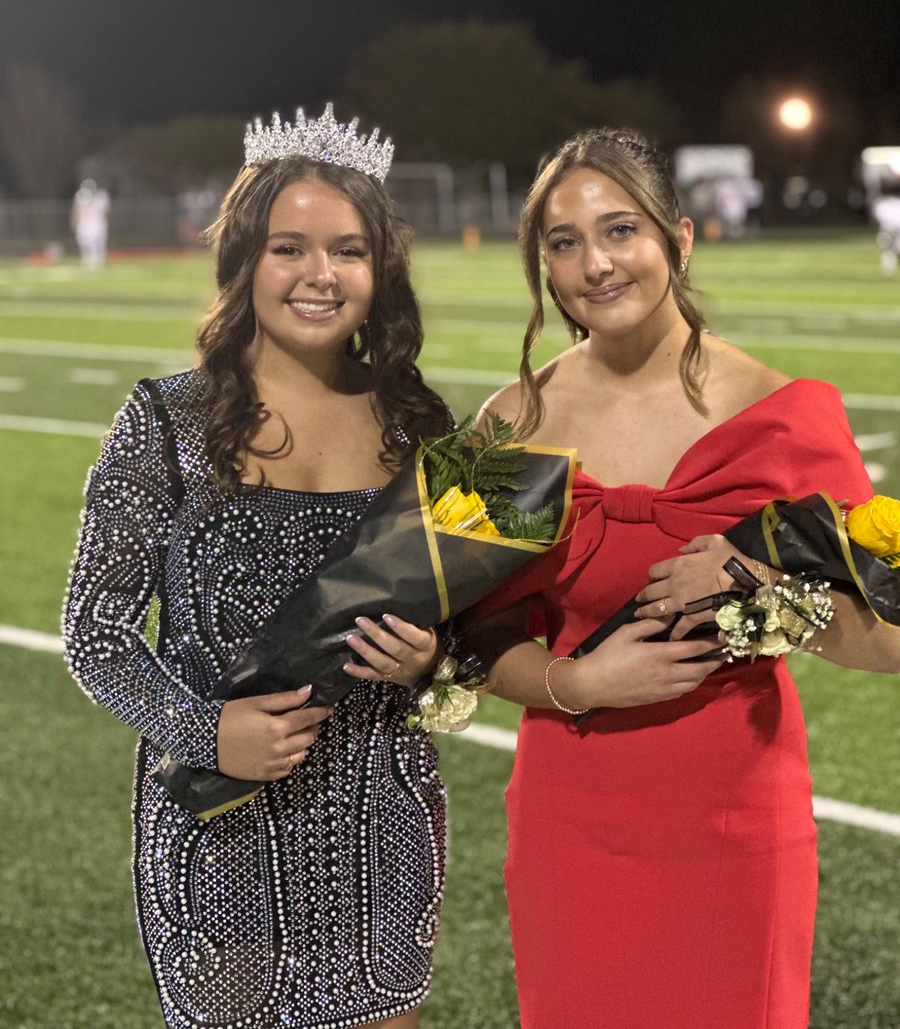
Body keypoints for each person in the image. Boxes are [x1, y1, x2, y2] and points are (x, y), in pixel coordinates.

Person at [463, 128, 900, 1029]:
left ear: (681, 239)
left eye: (621, 230)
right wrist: (574, 680)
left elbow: (891, 636)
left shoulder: (788, 414)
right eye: (564, 241)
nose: (596, 263)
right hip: (568, 815)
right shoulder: (505, 423)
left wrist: (760, 585)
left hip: (737, 816)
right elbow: (470, 635)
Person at [63, 105, 452, 1029]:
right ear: (244, 260)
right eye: (291, 248)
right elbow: (94, 632)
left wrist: (432, 662)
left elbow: (465, 630)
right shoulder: (166, 421)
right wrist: (203, 730)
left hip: (383, 822)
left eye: (349, 250)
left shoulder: (419, 430)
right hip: (221, 831)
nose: (322, 275)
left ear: (379, 270)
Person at [71, 177, 110, 268]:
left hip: (97, 223)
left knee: (98, 242)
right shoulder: (80, 197)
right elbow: (77, 211)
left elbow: (105, 212)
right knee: (84, 242)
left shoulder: (101, 197)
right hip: (85, 223)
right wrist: (75, 222)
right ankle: (87, 259)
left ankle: (98, 261)